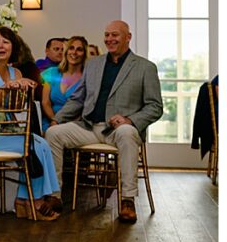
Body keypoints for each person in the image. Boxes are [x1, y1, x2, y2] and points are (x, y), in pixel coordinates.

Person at [45, 21, 163, 224]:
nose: (109, 39)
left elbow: (155, 107)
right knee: (53, 134)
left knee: (127, 133)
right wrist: (57, 120)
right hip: (89, 126)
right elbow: (78, 99)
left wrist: (130, 120)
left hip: (119, 130)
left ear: (128, 37)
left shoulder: (145, 67)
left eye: (115, 35)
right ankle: (55, 196)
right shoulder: (94, 64)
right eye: (107, 35)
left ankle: (127, 200)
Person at [0, 26, 62, 220]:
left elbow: (16, 109)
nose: (0, 46)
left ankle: (25, 200)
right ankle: (34, 201)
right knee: (32, 146)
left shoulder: (15, 72)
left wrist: (22, 90)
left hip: (1, 130)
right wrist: (8, 87)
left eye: (5, 42)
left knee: (40, 143)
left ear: (13, 47)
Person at [41, 36, 88, 127]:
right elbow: (45, 102)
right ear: (66, 51)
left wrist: (59, 123)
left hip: (75, 123)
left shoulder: (87, 77)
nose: (74, 52)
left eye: (79, 49)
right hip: (49, 121)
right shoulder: (52, 72)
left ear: (84, 54)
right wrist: (54, 120)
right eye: (71, 48)